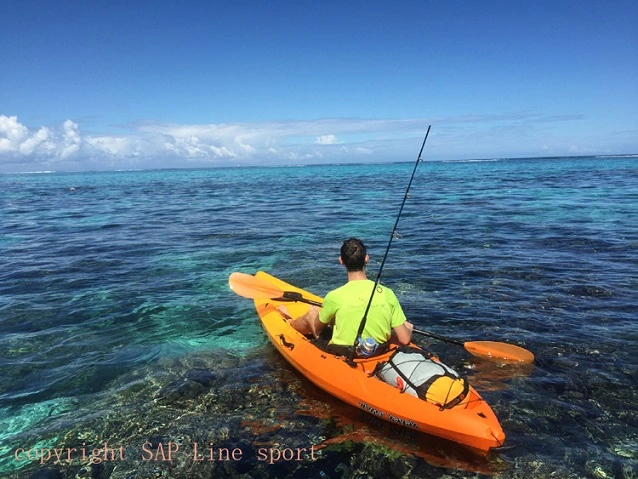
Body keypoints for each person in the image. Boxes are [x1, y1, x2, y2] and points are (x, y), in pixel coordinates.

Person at [285, 237, 413, 355]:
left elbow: (317, 329)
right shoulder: (387, 293)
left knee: (312, 314)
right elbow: (404, 339)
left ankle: (288, 322)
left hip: (342, 353)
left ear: (341, 261)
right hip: (379, 351)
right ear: (366, 258)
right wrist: (408, 328)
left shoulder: (334, 296)